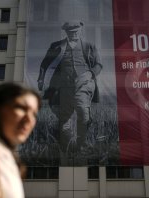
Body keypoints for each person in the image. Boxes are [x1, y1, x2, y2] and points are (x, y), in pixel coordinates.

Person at [37, 21, 103, 163]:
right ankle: (67, 148)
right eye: (71, 31)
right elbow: (44, 63)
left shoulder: (88, 46)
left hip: (83, 85)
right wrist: (41, 79)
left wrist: (90, 74)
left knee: (83, 113)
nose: (74, 34)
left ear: (81, 31)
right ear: (66, 32)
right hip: (63, 87)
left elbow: (98, 65)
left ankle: (81, 143)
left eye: (76, 31)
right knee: (64, 118)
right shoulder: (56, 46)